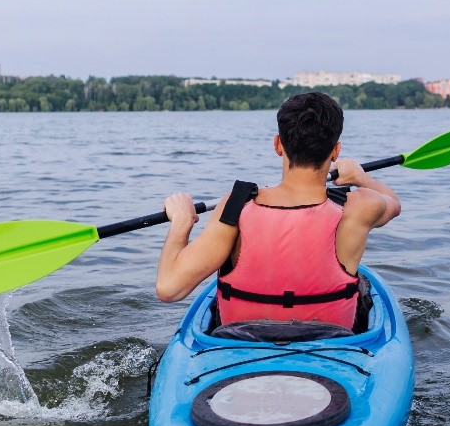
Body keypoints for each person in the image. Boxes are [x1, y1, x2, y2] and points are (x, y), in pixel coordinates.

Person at [155, 92, 401, 330]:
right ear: (336, 151)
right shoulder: (359, 206)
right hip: (332, 343)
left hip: (239, 343)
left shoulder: (236, 205)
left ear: (278, 144)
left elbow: (169, 288)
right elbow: (393, 203)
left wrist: (182, 222)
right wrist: (360, 177)